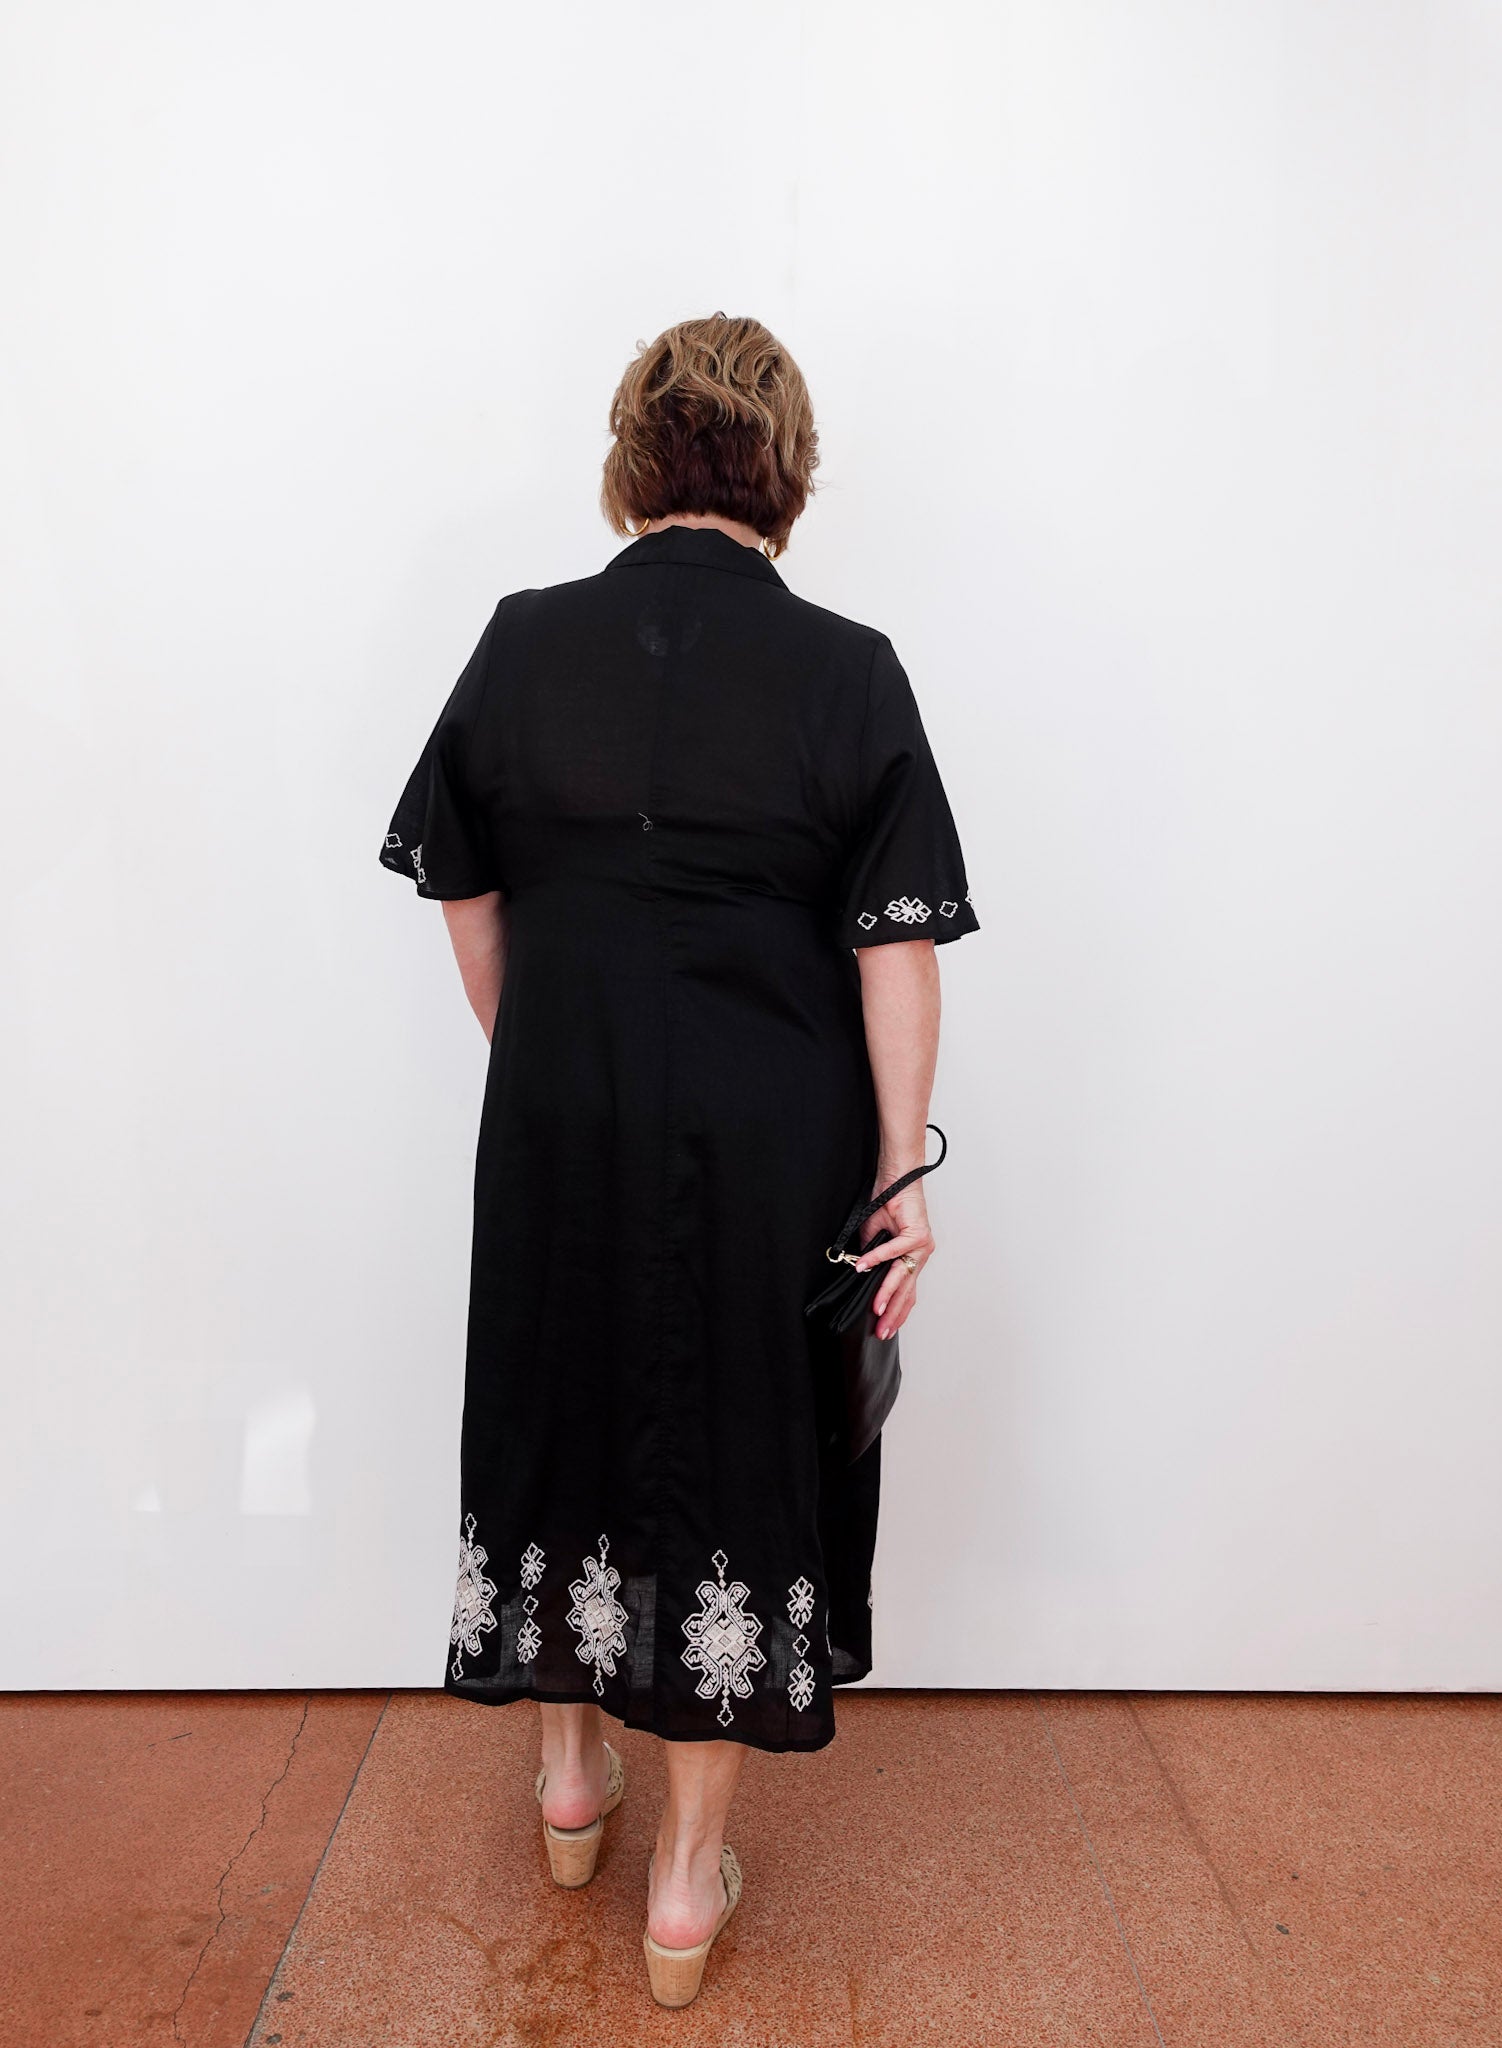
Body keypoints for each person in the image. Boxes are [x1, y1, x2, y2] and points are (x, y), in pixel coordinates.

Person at [380, 312, 980, 2006]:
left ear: (632, 463)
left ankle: (570, 1785)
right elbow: (895, 943)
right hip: (771, 1131)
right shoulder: (848, 668)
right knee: (741, 1449)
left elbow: (465, 890)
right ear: (785, 473)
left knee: (558, 1405)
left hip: (561, 1115)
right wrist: (897, 1171)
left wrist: (553, 1062)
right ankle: (684, 1885)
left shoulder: (520, 640)